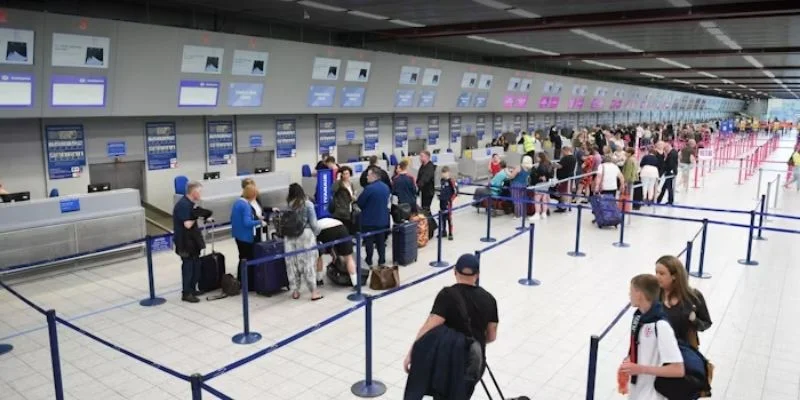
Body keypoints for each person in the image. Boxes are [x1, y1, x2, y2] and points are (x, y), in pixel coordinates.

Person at [404, 254, 499, 399]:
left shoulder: (447, 296)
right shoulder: (490, 299)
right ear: (477, 275)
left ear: (455, 271)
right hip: (474, 363)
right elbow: (491, 336)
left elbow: (429, 327)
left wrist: (413, 351)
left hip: (448, 362)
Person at [619, 274, 685, 399]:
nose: (629, 295)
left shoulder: (661, 326)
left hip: (652, 394)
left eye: (631, 291)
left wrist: (640, 368)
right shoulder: (639, 317)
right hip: (637, 391)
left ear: (639, 294)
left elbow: (678, 370)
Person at [654, 256, 712, 348]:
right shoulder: (654, 296)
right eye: (656, 272)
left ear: (674, 276)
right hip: (659, 349)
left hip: (685, 350)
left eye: (662, 273)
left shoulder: (694, 297)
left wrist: (694, 320)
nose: (657, 277)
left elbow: (706, 323)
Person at [283, 183, 322, 300]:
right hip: (305, 236)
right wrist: (317, 232)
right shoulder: (308, 204)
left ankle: (295, 291)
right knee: (308, 263)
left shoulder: (289, 205)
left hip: (289, 237)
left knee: (292, 263)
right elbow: (314, 224)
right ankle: (314, 292)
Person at [172, 181, 210, 303]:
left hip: (192, 242)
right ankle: (186, 292)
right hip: (185, 242)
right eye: (199, 191)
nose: (201, 194)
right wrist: (196, 216)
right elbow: (187, 224)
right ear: (193, 192)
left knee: (196, 265)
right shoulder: (183, 205)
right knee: (188, 267)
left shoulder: (190, 204)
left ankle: (193, 288)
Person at [357, 166, 391, 267]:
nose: (366, 177)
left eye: (368, 175)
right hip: (383, 219)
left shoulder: (369, 189)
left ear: (373, 176)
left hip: (369, 221)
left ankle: (369, 261)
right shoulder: (386, 187)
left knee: (369, 243)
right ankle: (382, 260)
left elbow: (360, 203)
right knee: (381, 242)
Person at [316, 217, 358, 287]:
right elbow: (333, 244)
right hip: (341, 228)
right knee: (349, 257)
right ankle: (355, 283)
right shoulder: (331, 220)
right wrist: (333, 254)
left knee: (318, 256)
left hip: (324, 230)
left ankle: (319, 280)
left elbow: (327, 243)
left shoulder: (316, 223)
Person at [231, 184, 266, 263]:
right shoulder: (246, 206)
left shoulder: (237, 202)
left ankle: (242, 275)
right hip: (246, 237)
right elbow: (247, 223)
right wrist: (259, 222)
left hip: (238, 235)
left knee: (242, 259)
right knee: (249, 259)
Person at [530, 153, 553, 220]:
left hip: (539, 184)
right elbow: (551, 174)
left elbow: (540, 173)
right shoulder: (549, 163)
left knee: (537, 198)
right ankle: (544, 213)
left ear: (540, 157)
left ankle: (537, 213)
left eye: (537, 157)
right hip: (546, 184)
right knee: (544, 198)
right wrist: (547, 177)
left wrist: (538, 175)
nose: (536, 159)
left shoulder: (540, 165)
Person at [509, 155, 532, 220]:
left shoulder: (519, 167)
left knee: (516, 200)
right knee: (522, 200)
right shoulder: (529, 168)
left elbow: (512, 176)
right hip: (524, 185)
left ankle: (517, 215)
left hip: (516, 185)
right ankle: (523, 214)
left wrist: (509, 174)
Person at [554, 146, 577, 212]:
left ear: (565, 150)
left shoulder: (566, 158)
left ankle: (562, 207)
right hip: (570, 176)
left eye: (562, 151)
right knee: (568, 191)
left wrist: (554, 164)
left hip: (564, 177)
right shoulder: (574, 158)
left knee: (563, 192)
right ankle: (568, 206)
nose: (562, 153)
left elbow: (560, 166)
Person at [438, 166, 458, 240]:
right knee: (442, 217)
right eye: (443, 173)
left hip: (448, 202)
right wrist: (440, 196)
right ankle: (444, 231)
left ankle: (450, 233)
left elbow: (456, 192)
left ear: (448, 173)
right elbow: (442, 190)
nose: (444, 175)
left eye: (445, 173)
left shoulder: (451, 181)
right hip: (442, 201)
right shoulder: (442, 180)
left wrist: (450, 200)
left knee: (449, 218)